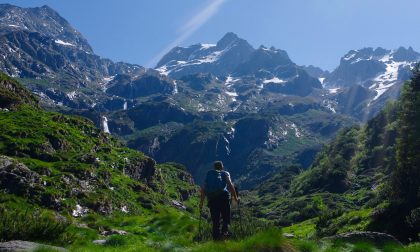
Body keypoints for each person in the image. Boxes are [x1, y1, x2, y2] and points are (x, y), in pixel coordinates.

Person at [199, 161, 239, 240]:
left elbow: (203, 190)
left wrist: (201, 203)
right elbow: (230, 185)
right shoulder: (225, 173)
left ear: (214, 167)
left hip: (212, 199)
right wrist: (235, 197)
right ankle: (224, 234)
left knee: (215, 220)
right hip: (224, 197)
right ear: (222, 167)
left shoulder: (209, 174)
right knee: (226, 217)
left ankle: (216, 240)